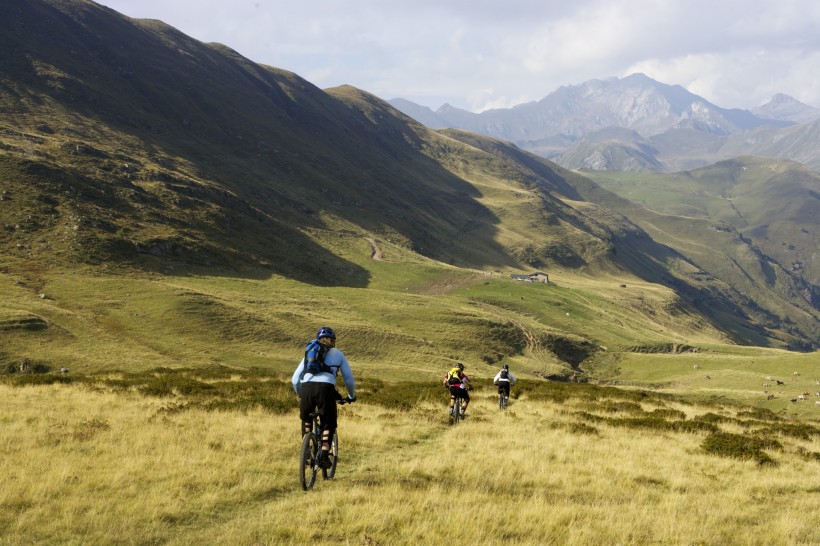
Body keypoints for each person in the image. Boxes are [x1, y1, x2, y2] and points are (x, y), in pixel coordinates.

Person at [292, 326, 356, 468]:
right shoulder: (338, 354)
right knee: (328, 423)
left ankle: (306, 450)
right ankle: (324, 455)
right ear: (333, 341)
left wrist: (300, 394)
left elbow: (295, 380)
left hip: (307, 388)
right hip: (326, 390)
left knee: (306, 419)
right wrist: (351, 396)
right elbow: (349, 380)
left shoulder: (309, 353)